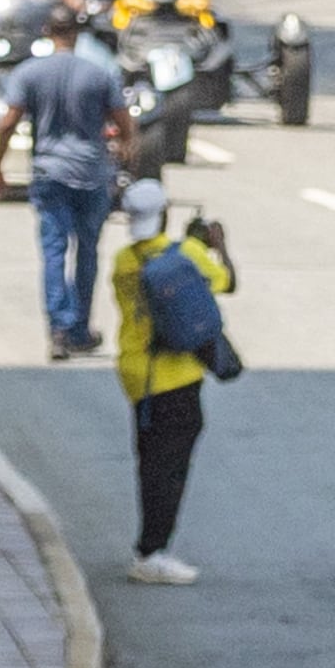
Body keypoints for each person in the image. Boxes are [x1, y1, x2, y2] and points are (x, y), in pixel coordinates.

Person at [107, 178, 234, 588]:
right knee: (171, 469)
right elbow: (227, 282)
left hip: (137, 375)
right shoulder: (188, 256)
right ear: (164, 214)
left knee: (149, 463)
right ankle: (151, 551)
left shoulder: (124, 263)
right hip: (177, 377)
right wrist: (216, 244)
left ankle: (149, 547)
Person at [0, 4, 126, 359]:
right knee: (88, 253)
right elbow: (126, 126)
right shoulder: (99, 73)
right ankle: (79, 328)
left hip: (50, 173)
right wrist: (127, 156)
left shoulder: (30, 73)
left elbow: (7, 123)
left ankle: (59, 329)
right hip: (92, 174)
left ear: (48, 32)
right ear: (78, 34)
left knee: (54, 253)